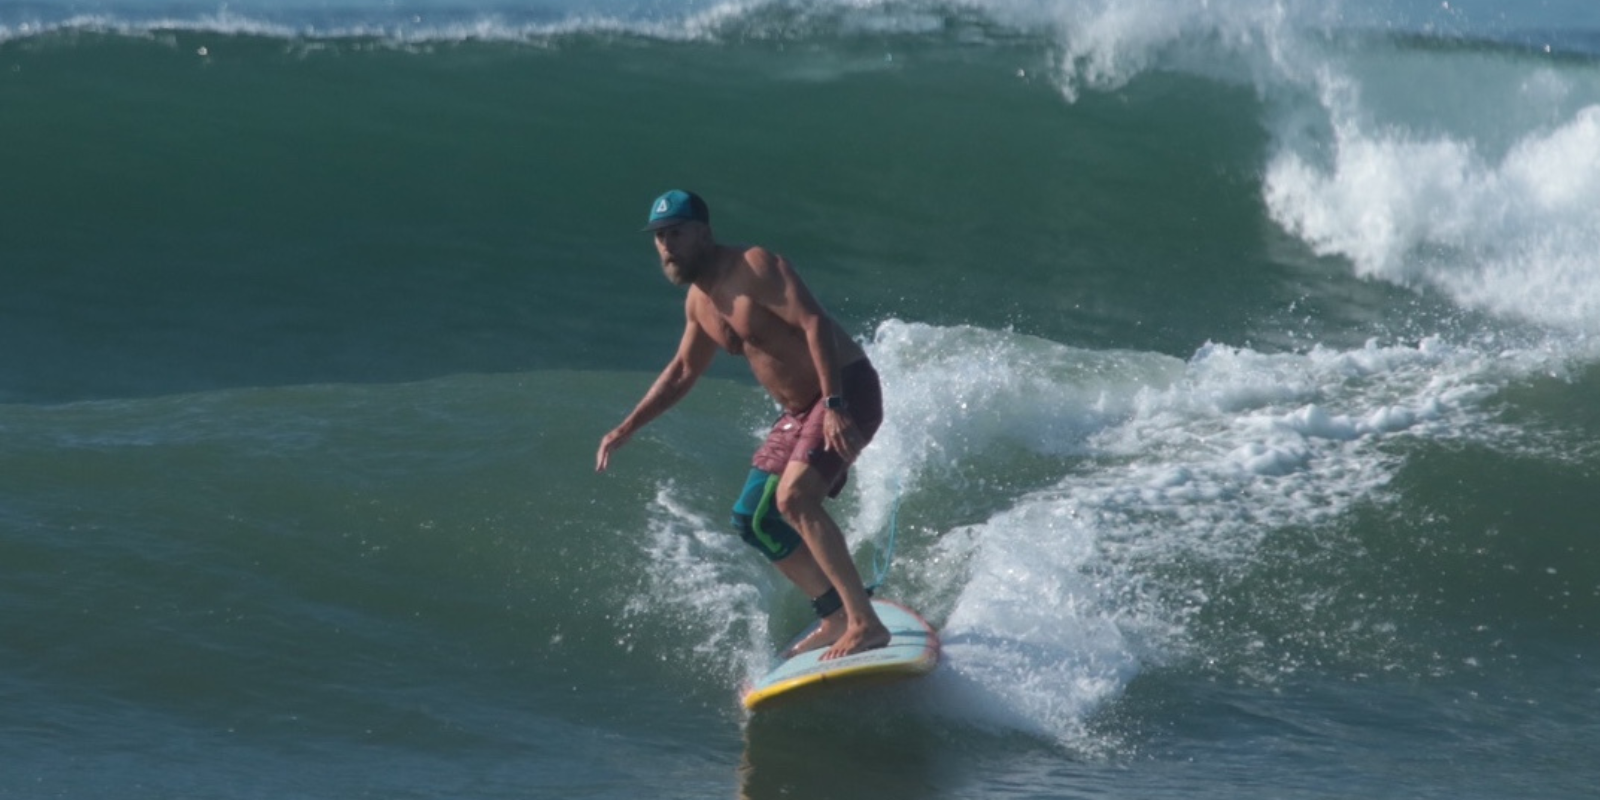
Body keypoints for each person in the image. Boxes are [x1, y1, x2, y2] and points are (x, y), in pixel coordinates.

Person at [595, 189, 891, 660]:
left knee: (793, 498)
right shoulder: (699, 302)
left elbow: (815, 323)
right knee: (754, 517)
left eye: (676, 233)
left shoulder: (755, 267)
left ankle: (864, 623)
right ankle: (835, 614)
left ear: (704, 233)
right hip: (798, 412)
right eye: (659, 236)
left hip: (845, 389)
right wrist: (627, 427)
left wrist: (834, 402)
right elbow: (682, 373)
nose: (667, 245)